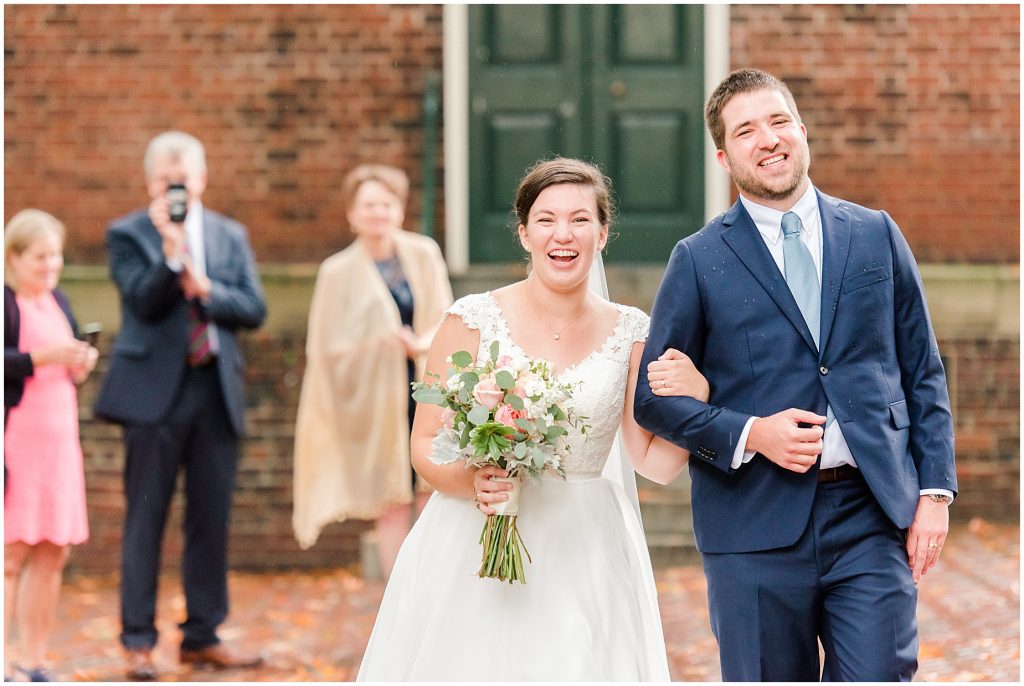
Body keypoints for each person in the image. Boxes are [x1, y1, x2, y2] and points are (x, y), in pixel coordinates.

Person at [634, 68, 957, 681]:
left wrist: (934, 493)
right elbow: (653, 402)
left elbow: (922, 372)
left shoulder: (875, 233)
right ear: (725, 156)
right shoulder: (699, 260)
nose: (769, 139)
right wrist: (750, 433)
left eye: (779, 121)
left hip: (871, 513)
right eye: (747, 130)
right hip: (751, 525)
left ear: (802, 130)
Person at [356, 158, 709, 681]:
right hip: (477, 538)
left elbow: (653, 465)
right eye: (546, 220)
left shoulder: (634, 333)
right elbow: (426, 443)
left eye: (580, 220)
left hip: (587, 547)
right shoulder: (469, 321)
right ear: (524, 233)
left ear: (603, 233)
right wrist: (475, 480)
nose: (562, 235)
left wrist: (695, 404)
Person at [93, 131, 267, 680]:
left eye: (186, 178)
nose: (177, 188)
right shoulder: (126, 233)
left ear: (202, 178)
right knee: (145, 517)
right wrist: (170, 259)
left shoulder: (229, 234)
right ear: (150, 182)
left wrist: (206, 288)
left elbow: (254, 308)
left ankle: (202, 635)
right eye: (167, 180)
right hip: (153, 399)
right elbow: (142, 304)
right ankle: (138, 642)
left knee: (209, 520)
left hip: (215, 392)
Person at [292, 164, 453, 578]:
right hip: (374, 398)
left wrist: (418, 344)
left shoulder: (423, 253)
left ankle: (433, 589)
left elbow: (445, 316)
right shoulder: (336, 272)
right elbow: (324, 347)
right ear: (351, 213)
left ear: (399, 210)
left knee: (431, 490)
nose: (377, 213)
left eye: (386, 204)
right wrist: (373, 346)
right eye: (368, 205)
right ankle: (398, 596)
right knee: (391, 498)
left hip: (426, 387)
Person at [4, 210, 98, 682]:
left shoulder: (57, 300)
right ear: (14, 257)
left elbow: (66, 357)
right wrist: (39, 358)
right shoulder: (6, 302)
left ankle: (34, 660)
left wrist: (80, 360)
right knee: (10, 553)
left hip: (61, 443)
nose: (50, 265)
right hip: (17, 439)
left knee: (52, 551)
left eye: (55, 255)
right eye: (40, 256)